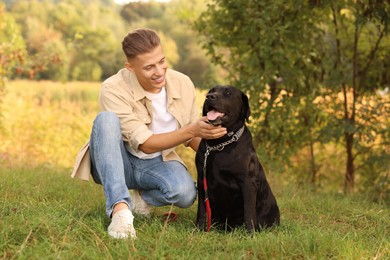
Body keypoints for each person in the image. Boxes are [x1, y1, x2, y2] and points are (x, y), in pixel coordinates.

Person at [71, 28, 227, 239]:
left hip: (157, 162)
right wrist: (191, 129)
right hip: (118, 161)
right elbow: (145, 144)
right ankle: (120, 212)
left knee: (186, 193)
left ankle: (141, 197)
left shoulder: (183, 83)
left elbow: (192, 137)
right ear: (130, 67)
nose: (159, 71)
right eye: (149, 67)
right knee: (105, 120)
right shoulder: (112, 88)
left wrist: (225, 161)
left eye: (162, 61)